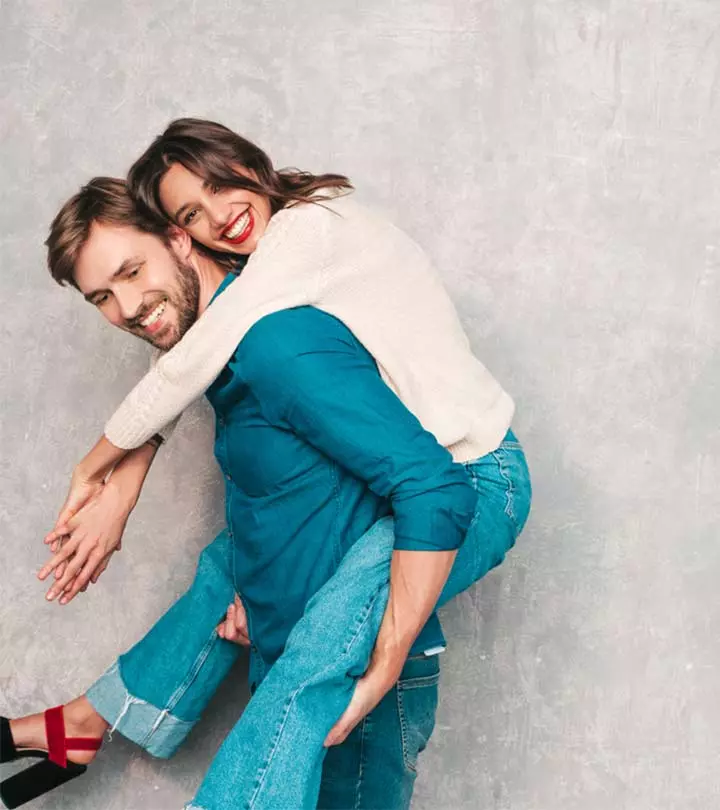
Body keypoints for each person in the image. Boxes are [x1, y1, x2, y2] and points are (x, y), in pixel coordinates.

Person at [1, 120, 530, 808]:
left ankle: (82, 726)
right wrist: (143, 478)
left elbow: (423, 483)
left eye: (131, 272)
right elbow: (215, 396)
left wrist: (104, 464)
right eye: (102, 296)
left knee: (318, 659)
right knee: (234, 562)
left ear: (177, 244)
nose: (126, 307)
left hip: (472, 472)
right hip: (413, 490)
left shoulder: (280, 307)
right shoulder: (232, 337)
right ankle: (81, 723)